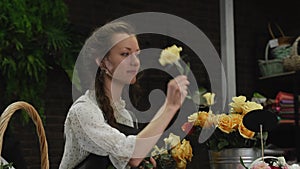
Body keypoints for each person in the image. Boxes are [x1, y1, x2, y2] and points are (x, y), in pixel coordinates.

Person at [59, 21, 190, 169]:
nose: (135, 62)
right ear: (102, 62)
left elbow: (131, 156)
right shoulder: (83, 112)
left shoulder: (125, 116)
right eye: (125, 54)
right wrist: (170, 107)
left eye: (137, 54)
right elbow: (133, 155)